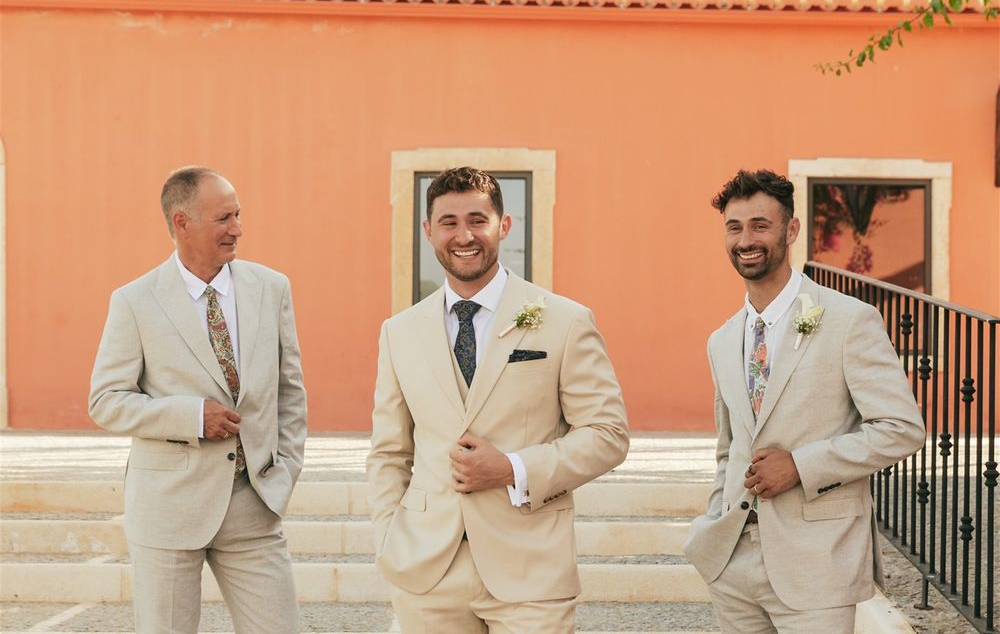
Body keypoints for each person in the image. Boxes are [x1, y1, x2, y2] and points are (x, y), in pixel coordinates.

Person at [367, 166, 629, 633]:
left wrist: (512, 469)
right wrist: (389, 536)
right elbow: (389, 451)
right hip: (426, 569)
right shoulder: (398, 332)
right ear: (428, 231)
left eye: (477, 220)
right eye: (448, 222)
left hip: (531, 568)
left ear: (503, 226)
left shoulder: (565, 320)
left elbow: (607, 435)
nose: (463, 235)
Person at [683, 168, 925, 634]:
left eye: (760, 225)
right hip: (732, 566)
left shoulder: (849, 320)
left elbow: (901, 428)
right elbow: (727, 446)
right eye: (734, 227)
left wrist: (801, 465)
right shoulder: (722, 339)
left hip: (817, 565)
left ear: (790, 230)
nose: (745, 239)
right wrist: (714, 524)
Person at [89, 166, 307, 634]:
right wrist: (190, 416)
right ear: (182, 222)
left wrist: (283, 471)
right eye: (224, 218)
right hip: (167, 508)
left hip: (254, 503)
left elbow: (290, 390)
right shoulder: (135, 301)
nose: (238, 229)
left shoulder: (272, 288)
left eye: (238, 214)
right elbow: (106, 400)